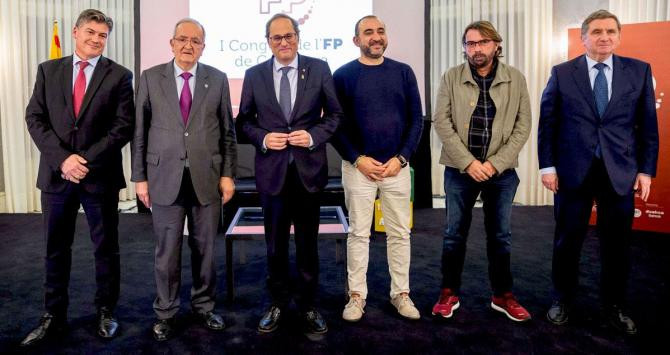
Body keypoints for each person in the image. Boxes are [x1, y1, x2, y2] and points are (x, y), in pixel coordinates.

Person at [538, 10, 658, 335]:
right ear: (583, 37)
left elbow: (648, 125)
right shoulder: (562, 73)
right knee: (567, 241)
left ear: (618, 36)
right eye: (596, 31)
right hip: (572, 172)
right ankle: (562, 301)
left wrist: (646, 171)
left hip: (620, 173)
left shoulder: (639, 71)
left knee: (617, 245)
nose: (603, 37)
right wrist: (547, 166)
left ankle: (614, 307)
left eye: (610, 31)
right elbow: (548, 123)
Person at [21, 9, 134, 346]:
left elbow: (122, 127)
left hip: (99, 176)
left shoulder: (119, 75)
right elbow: (35, 117)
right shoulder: (48, 69)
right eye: (90, 32)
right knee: (55, 248)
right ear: (75, 32)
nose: (96, 40)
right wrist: (63, 160)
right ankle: (53, 315)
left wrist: (82, 160)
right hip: (57, 176)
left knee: (106, 248)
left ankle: (105, 311)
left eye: (102, 35)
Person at [131, 18, 237, 341]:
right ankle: (165, 311)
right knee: (167, 250)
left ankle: (204, 306)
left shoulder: (217, 80)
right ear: (171, 43)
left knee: (205, 248)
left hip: (207, 178)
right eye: (182, 39)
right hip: (163, 176)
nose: (188, 45)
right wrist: (140, 178)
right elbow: (139, 133)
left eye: (196, 41)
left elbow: (228, 135)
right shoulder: (150, 79)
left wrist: (228, 175)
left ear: (203, 46)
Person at [236, 13, 342, 335]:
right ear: (268, 41)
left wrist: (312, 136)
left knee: (308, 245)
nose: (283, 42)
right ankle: (278, 303)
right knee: (275, 245)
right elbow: (243, 122)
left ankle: (309, 305)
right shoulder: (254, 74)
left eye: (288, 36)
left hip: (309, 172)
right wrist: (264, 138)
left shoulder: (319, 68)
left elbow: (336, 115)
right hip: (272, 173)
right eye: (276, 37)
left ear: (298, 37)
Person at [432, 21, 532, 322]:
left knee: (500, 236)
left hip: (500, 172)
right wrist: (469, 163)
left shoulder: (515, 78)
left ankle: (503, 295)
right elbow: (442, 122)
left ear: (496, 45)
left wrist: (494, 164)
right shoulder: (451, 77)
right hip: (460, 170)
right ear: (464, 47)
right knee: (453, 235)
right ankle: (449, 292)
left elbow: (523, 126)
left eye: (483, 43)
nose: (476, 48)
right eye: (471, 43)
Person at [332, 15, 423, 322]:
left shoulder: (404, 72)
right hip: (359, 168)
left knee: (400, 234)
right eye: (368, 32)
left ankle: (401, 294)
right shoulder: (343, 75)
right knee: (358, 234)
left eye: (380, 31)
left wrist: (402, 158)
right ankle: (356, 296)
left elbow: (416, 120)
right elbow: (336, 125)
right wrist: (357, 158)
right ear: (356, 40)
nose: (376, 36)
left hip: (396, 168)